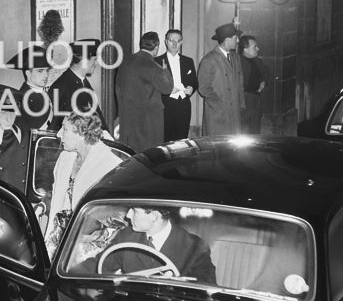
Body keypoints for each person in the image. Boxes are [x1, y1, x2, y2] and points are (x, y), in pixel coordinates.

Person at [42, 112, 125, 258]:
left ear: (81, 133)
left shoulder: (110, 165)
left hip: (92, 245)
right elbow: (58, 196)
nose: (58, 135)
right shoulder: (65, 158)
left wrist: (92, 232)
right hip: (62, 235)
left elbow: (119, 214)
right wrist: (43, 205)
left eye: (64, 129)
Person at [96, 206, 216, 283]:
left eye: (134, 210)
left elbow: (206, 288)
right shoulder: (126, 237)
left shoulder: (195, 247)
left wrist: (179, 284)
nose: (128, 215)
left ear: (154, 216)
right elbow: (98, 265)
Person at [114, 31, 173, 152]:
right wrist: (165, 69)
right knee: (148, 156)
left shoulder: (125, 63)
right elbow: (168, 89)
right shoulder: (154, 67)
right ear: (156, 48)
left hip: (128, 118)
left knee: (130, 155)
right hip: (149, 122)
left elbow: (118, 89)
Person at [46, 38, 106, 133]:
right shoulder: (62, 86)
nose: (96, 64)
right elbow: (56, 126)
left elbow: (97, 118)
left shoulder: (83, 82)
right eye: (95, 60)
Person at [197, 23, 244, 136]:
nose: (237, 41)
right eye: (235, 38)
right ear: (227, 40)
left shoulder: (236, 57)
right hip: (217, 115)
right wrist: (219, 105)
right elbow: (203, 87)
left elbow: (240, 83)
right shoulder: (209, 60)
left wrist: (241, 105)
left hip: (235, 115)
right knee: (217, 148)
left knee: (233, 147)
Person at [154, 29, 198, 141]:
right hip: (165, 106)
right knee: (165, 140)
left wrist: (191, 88)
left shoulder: (188, 61)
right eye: (171, 40)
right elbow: (154, 85)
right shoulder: (157, 61)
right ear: (165, 41)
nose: (174, 44)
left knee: (181, 141)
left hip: (184, 106)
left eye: (178, 41)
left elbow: (194, 81)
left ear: (181, 42)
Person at [5, 44, 53, 131]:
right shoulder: (23, 99)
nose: (45, 75)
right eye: (40, 71)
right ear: (28, 73)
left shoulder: (43, 93)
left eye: (47, 70)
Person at [239, 34, 267, 134]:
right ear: (245, 49)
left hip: (256, 100)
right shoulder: (238, 62)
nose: (258, 49)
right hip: (244, 101)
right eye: (254, 47)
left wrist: (263, 82)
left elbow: (265, 73)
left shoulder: (258, 61)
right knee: (243, 133)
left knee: (255, 131)